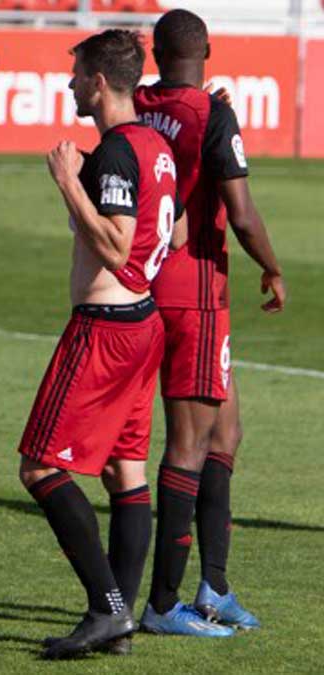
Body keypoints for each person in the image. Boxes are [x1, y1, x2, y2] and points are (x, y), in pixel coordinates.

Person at [18, 29, 184, 659]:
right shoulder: (153, 144)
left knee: (40, 466)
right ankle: (118, 622)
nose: (69, 85)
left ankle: (107, 609)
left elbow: (115, 245)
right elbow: (168, 224)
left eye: (76, 74)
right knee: (123, 472)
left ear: (98, 82)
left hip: (106, 332)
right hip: (144, 326)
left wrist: (68, 180)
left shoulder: (117, 149)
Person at [132, 8, 285, 636]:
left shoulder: (139, 103)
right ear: (210, 49)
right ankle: (164, 603)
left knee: (227, 432)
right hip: (194, 291)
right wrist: (273, 269)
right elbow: (241, 214)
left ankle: (215, 586)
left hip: (150, 282)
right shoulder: (211, 113)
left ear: (153, 52)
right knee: (188, 446)